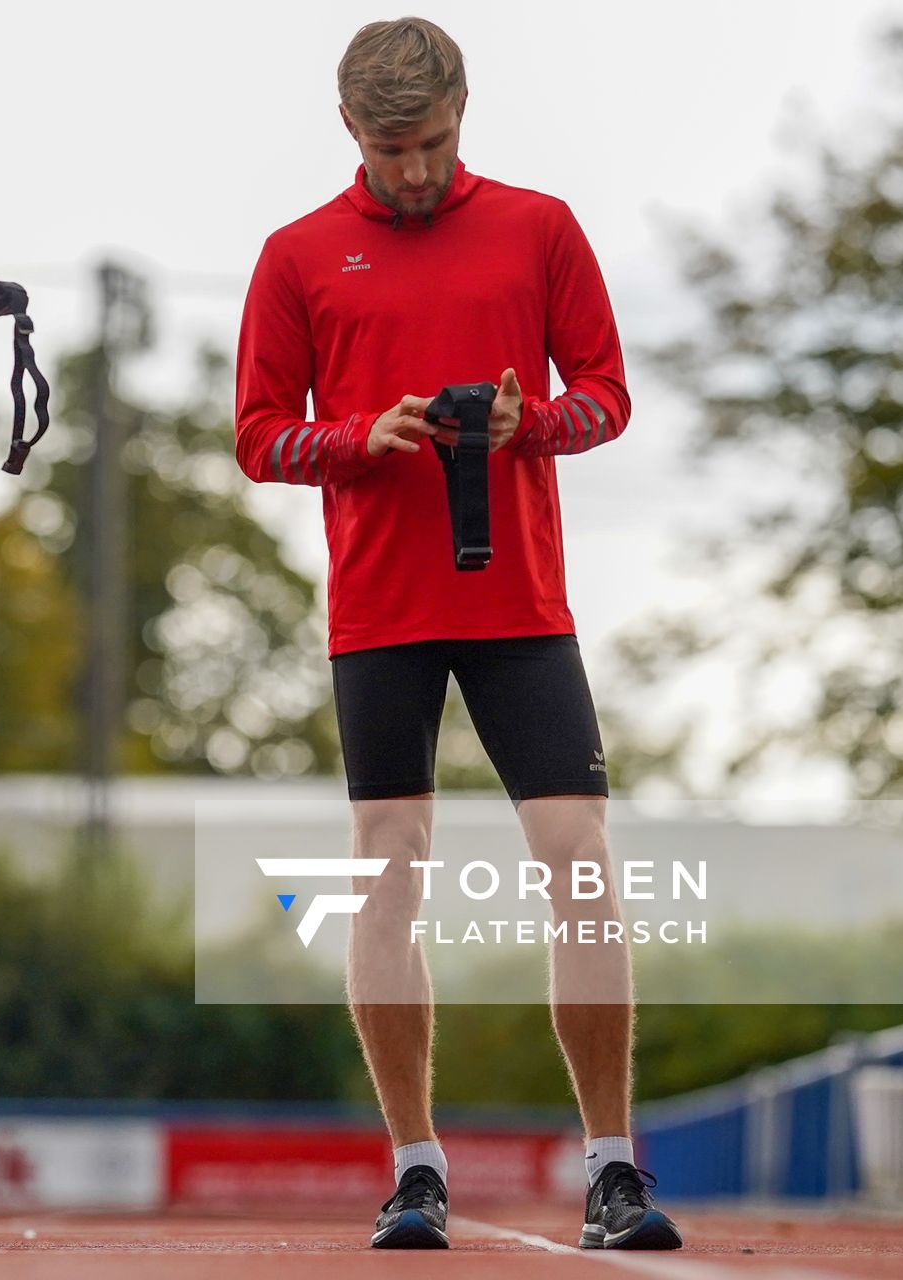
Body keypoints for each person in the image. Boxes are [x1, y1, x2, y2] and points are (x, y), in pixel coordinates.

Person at [234, 17, 682, 1253]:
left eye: (429, 143)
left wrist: (526, 420)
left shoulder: (540, 226)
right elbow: (258, 431)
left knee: (580, 861)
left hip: (520, 604)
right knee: (387, 875)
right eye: (390, 149)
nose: (414, 171)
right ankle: (416, 1168)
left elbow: (609, 395)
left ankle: (610, 1167)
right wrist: (352, 438)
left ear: (464, 111)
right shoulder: (297, 256)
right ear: (350, 134)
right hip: (380, 609)